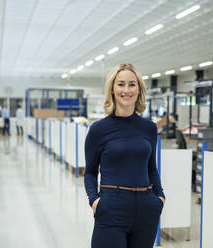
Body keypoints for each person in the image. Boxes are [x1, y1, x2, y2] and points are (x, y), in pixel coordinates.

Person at [84, 63, 165, 248]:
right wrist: (95, 202)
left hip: (146, 209)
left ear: (139, 89)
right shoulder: (98, 130)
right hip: (112, 207)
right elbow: (89, 172)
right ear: (112, 89)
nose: (126, 90)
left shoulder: (149, 128)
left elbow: (152, 169)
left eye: (132, 84)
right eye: (121, 84)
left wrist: (159, 198)